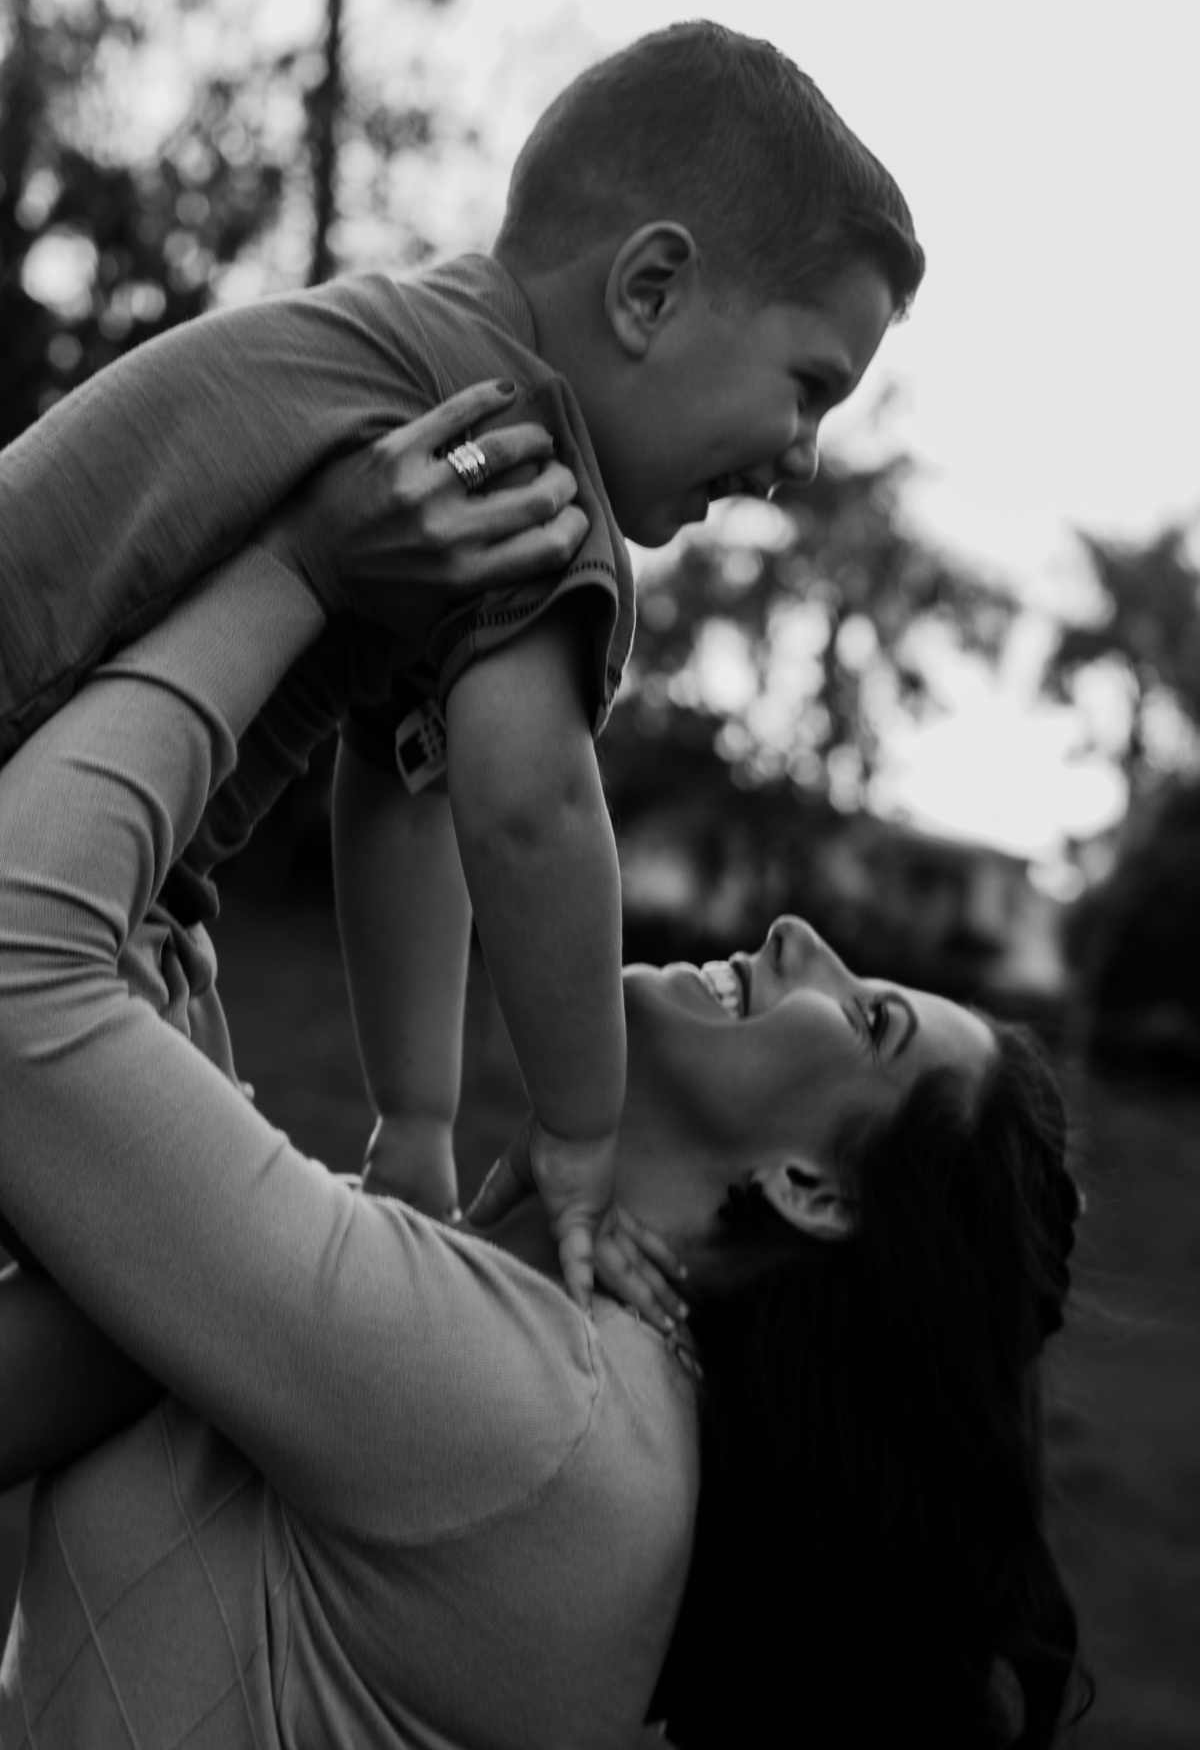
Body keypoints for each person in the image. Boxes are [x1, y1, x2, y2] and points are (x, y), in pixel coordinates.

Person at [0, 542, 1087, 1746]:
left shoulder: (534, 1423)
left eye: (868, 1020)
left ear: (813, 1191)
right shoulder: (566, 1390)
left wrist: (301, 566)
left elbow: (18, 962)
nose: (796, 936)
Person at [0, 21, 925, 1302]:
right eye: (810, 385)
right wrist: (583, 1131)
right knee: (172, 1292)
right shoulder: (519, 452)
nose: (807, 454)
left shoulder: (421, 356)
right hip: (45, 831)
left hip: (69, 808)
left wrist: (417, 1116)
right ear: (651, 291)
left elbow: (408, 787)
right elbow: (531, 806)